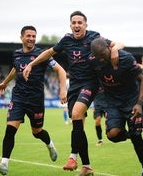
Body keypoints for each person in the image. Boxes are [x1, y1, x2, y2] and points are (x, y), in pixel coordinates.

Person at [22, 11, 124, 176]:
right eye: (74, 23)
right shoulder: (66, 40)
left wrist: (114, 50)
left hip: (91, 83)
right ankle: (87, 166)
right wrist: (31, 64)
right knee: (77, 123)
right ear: (70, 25)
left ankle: (72, 157)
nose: (77, 25)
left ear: (85, 25)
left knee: (76, 114)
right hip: (74, 86)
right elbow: (48, 52)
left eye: (80, 23)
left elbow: (119, 43)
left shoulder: (94, 37)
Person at [0, 26, 67, 175]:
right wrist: (5, 82)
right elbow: (15, 69)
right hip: (18, 97)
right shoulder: (16, 54)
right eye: (28, 36)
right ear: (21, 38)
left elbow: (60, 70)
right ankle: (4, 163)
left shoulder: (41, 54)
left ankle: (50, 145)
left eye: (33, 36)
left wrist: (63, 90)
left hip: (35, 100)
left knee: (37, 132)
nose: (31, 38)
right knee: (10, 130)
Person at [89, 38, 143, 176]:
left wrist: (139, 104)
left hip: (132, 101)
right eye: (98, 57)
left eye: (103, 55)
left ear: (109, 48)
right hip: (112, 103)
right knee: (112, 135)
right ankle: (131, 134)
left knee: (137, 138)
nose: (101, 59)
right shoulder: (93, 61)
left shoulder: (126, 58)